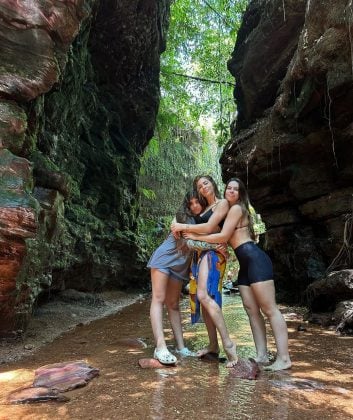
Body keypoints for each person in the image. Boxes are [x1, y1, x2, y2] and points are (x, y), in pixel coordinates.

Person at [184, 178, 292, 371]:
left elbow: (224, 236)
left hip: (256, 260)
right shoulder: (225, 209)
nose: (231, 191)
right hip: (244, 265)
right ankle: (261, 355)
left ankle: (284, 358)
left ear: (240, 194)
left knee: (269, 309)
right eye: (229, 188)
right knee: (251, 310)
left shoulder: (236, 209)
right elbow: (214, 228)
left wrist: (192, 235)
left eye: (235, 189)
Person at [171, 175, 238, 367]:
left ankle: (229, 345)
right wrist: (186, 231)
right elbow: (189, 237)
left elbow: (210, 227)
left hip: (213, 255)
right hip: (202, 254)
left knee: (205, 296)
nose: (203, 187)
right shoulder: (203, 209)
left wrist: (186, 229)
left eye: (205, 183)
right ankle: (213, 345)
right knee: (204, 299)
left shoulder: (222, 203)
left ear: (213, 183)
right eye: (199, 186)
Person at [148, 190, 204, 365]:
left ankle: (181, 347)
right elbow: (193, 242)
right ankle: (160, 347)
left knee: (173, 304)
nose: (194, 206)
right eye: (191, 203)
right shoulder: (183, 218)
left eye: (197, 202)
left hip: (180, 266)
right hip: (164, 259)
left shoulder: (205, 218)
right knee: (158, 299)